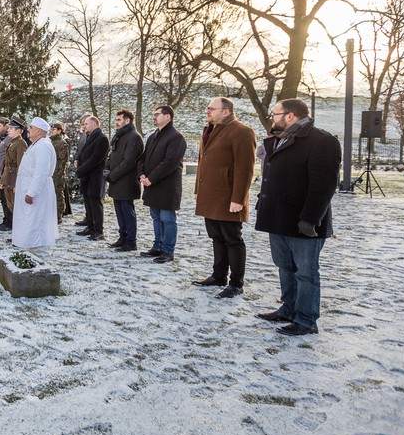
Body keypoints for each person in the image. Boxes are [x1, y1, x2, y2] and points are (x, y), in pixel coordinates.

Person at [255, 98, 341, 336]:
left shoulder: (322, 141)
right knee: (285, 266)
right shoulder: (279, 139)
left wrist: (310, 218)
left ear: (290, 116)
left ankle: (306, 319)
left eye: (275, 113)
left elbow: (324, 185)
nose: (272, 117)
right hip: (278, 218)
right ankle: (289, 308)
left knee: (306, 272)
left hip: (303, 221)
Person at [192, 97, 257, 298]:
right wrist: (198, 191)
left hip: (229, 198)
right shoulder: (211, 130)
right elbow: (203, 164)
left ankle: (236, 283)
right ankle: (218, 275)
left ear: (226, 111)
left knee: (233, 240)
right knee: (216, 238)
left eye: (211, 108)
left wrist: (238, 198)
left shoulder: (242, 132)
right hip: (210, 196)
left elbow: (245, 168)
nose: (207, 111)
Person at [139, 106, 187, 263]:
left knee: (167, 218)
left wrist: (151, 178)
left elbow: (169, 162)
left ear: (168, 117)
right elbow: (143, 158)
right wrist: (142, 174)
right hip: (151, 184)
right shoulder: (153, 136)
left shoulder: (176, 137)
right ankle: (157, 247)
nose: (154, 116)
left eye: (157, 114)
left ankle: (168, 250)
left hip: (167, 186)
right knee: (156, 217)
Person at [13, 117, 59, 258]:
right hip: (30, 190)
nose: (28, 130)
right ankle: (32, 254)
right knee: (30, 224)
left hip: (38, 193)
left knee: (37, 223)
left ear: (39, 131)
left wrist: (31, 193)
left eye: (31, 128)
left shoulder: (43, 146)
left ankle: (41, 258)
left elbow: (41, 172)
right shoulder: (37, 144)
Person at [106, 110, 144, 251]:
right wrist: (107, 169)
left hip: (127, 182)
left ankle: (130, 241)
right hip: (116, 181)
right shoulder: (120, 136)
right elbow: (112, 156)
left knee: (127, 212)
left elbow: (129, 162)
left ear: (127, 121)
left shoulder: (134, 137)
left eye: (119, 119)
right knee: (119, 212)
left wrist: (112, 175)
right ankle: (122, 238)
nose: (117, 122)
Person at [74, 115, 109, 241]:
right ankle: (90, 226)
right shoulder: (90, 137)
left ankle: (98, 230)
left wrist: (80, 170)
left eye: (86, 124)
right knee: (88, 203)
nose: (84, 127)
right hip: (87, 176)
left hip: (95, 177)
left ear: (94, 124)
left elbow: (95, 159)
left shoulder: (102, 139)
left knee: (95, 204)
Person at [0, 116, 28, 231]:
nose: (8, 130)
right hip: (9, 177)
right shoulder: (12, 142)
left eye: (11, 128)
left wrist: (17, 183)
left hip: (14, 178)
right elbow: (7, 164)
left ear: (19, 130)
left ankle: (20, 232)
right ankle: (17, 233)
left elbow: (21, 165)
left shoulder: (21, 143)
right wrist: (3, 181)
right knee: (11, 205)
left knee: (17, 207)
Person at [0, 117, 13, 230]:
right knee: (2, 197)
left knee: (6, 198)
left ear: (6, 126)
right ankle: (6, 219)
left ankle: (9, 221)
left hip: (5, 173)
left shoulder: (9, 139)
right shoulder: (1, 138)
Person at [72, 113, 92, 227]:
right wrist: (76, 159)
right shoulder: (84, 135)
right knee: (86, 197)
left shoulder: (91, 136)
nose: (83, 126)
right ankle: (87, 217)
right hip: (82, 166)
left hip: (87, 169)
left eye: (84, 123)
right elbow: (79, 150)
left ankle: (90, 219)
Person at [50, 122, 71, 224]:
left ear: (59, 130)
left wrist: (60, 175)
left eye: (54, 129)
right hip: (50, 172)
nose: (52, 131)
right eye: (51, 130)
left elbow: (63, 161)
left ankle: (58, 215)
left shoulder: (62, 143)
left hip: (58, 173)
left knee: (58, 194)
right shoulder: (49, 142)